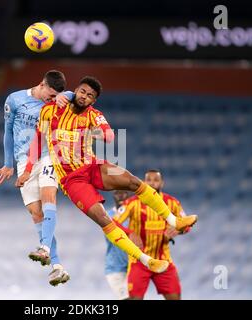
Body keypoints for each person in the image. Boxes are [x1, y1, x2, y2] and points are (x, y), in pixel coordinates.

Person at [16, 76, 198, 275]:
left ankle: (174, 221)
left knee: (132, 181)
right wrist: (27, 172)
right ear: (76, 90)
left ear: (94, 101)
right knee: (103, 218)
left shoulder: (94, 115)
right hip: (72, 180)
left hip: (92, 166)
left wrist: (100, 134)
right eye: (83, 92)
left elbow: (110, 135)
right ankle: (146, 260)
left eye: (90, 96)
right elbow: (38, 141)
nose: (85, 97)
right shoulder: (50, 110)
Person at [0, 70, 72, 286]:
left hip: (47, 156)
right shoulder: (15, 99)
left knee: (48, 200)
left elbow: (75, 94)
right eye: (51, 95)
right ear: (42, 84)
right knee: (36, 214)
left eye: (57, 97)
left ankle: (44, 248)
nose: (53, 100)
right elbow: (8, 132)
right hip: (22, 161)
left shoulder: (56, 102)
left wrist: (68, 96)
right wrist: (9, 164)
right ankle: (57, 267)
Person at [115, 169, 192, 300]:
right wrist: (130, 233)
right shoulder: (132, 203)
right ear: (144, 182)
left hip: (164, 261)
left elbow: (187, 225)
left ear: (162, 183)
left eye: (156, 180)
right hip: (139, 262)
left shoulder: (172, 203)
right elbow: (113, 223)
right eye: (149, 180)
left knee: (175, 298)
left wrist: (179, 230)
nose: (152, 183)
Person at [104, 190, 141, 299]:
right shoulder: (107, 216)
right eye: (117, 193)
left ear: (129, 194)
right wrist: (131, 233)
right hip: (116, 267)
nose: (120, 196)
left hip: (134, 266)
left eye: (123, 192)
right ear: (113, 195)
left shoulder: (136, 214)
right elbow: (115, 235)